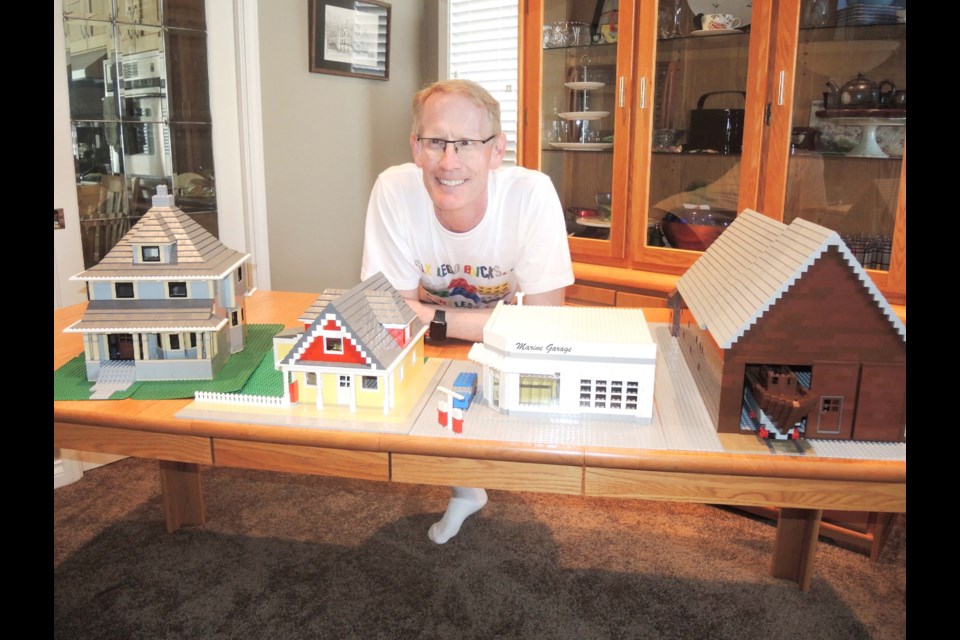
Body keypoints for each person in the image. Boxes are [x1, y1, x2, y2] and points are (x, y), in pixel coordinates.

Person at [360, 79, 574, 544]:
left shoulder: (531, 195)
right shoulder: (394, 191)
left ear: (497, 151)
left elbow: (544, 323)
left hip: (497, 345)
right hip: (448, 341)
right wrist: (487, 323)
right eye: (436, 142)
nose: (449, 162)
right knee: (410, 399)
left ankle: (471, 477)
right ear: (416, 147)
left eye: (468, 144)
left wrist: (436, 319)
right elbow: (386, 314)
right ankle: (466, 486)